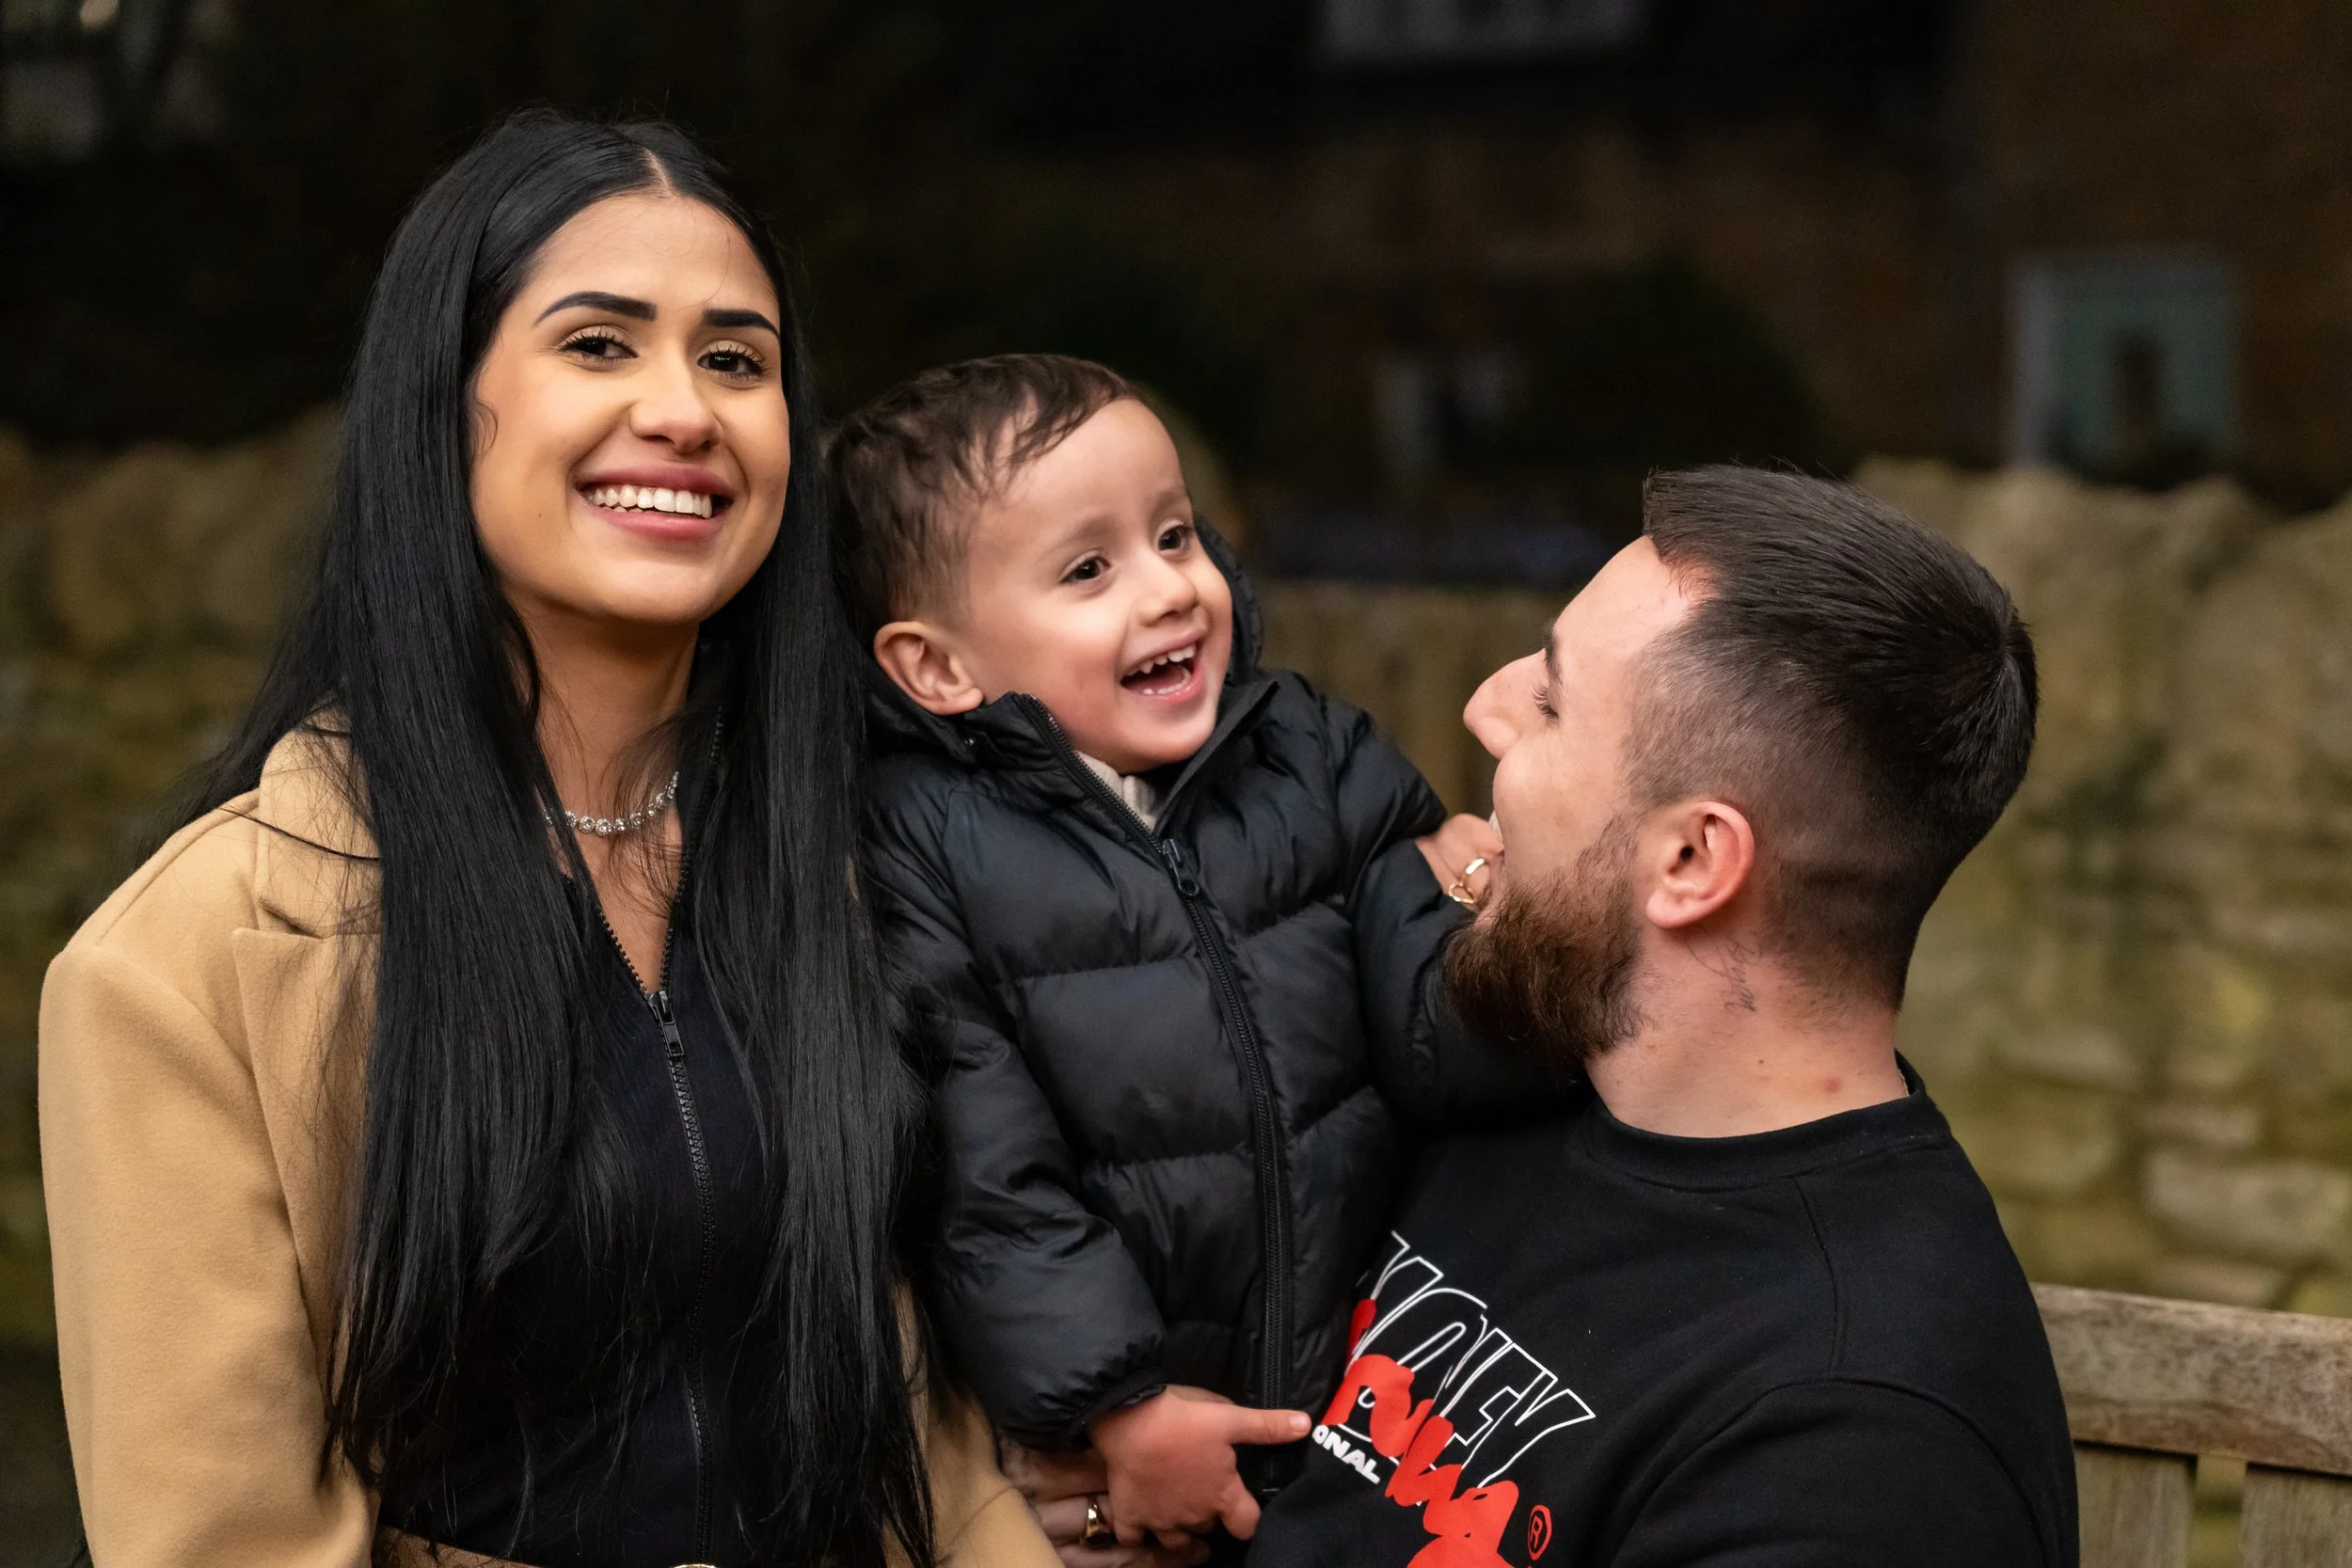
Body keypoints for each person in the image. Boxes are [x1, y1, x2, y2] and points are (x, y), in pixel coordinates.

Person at [39, 113, 1053, 1568]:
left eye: (735, 358)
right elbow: (226, 1538)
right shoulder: (182, 971)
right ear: (440, 407)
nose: (685, 411)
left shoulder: (850, 866)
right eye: (597, 344)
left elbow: (926, 1443)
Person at [1248, 467, 2078, 1566]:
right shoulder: (1502, 1065)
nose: (1483, 707)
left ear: (1690, 859)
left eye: (1548, 702)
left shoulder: (1856, 1444)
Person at [830, 356, 1510, 1557]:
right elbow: (988, 1170)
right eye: (1089, 568)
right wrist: (1122, 1400)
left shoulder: (1307, 749)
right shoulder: (925, 842)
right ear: (940, 667)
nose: (1169, 590)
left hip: (1369, 1405)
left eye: (1176, 534)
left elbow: (1427, 1009)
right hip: (1127, 1444)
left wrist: (1490, 933)